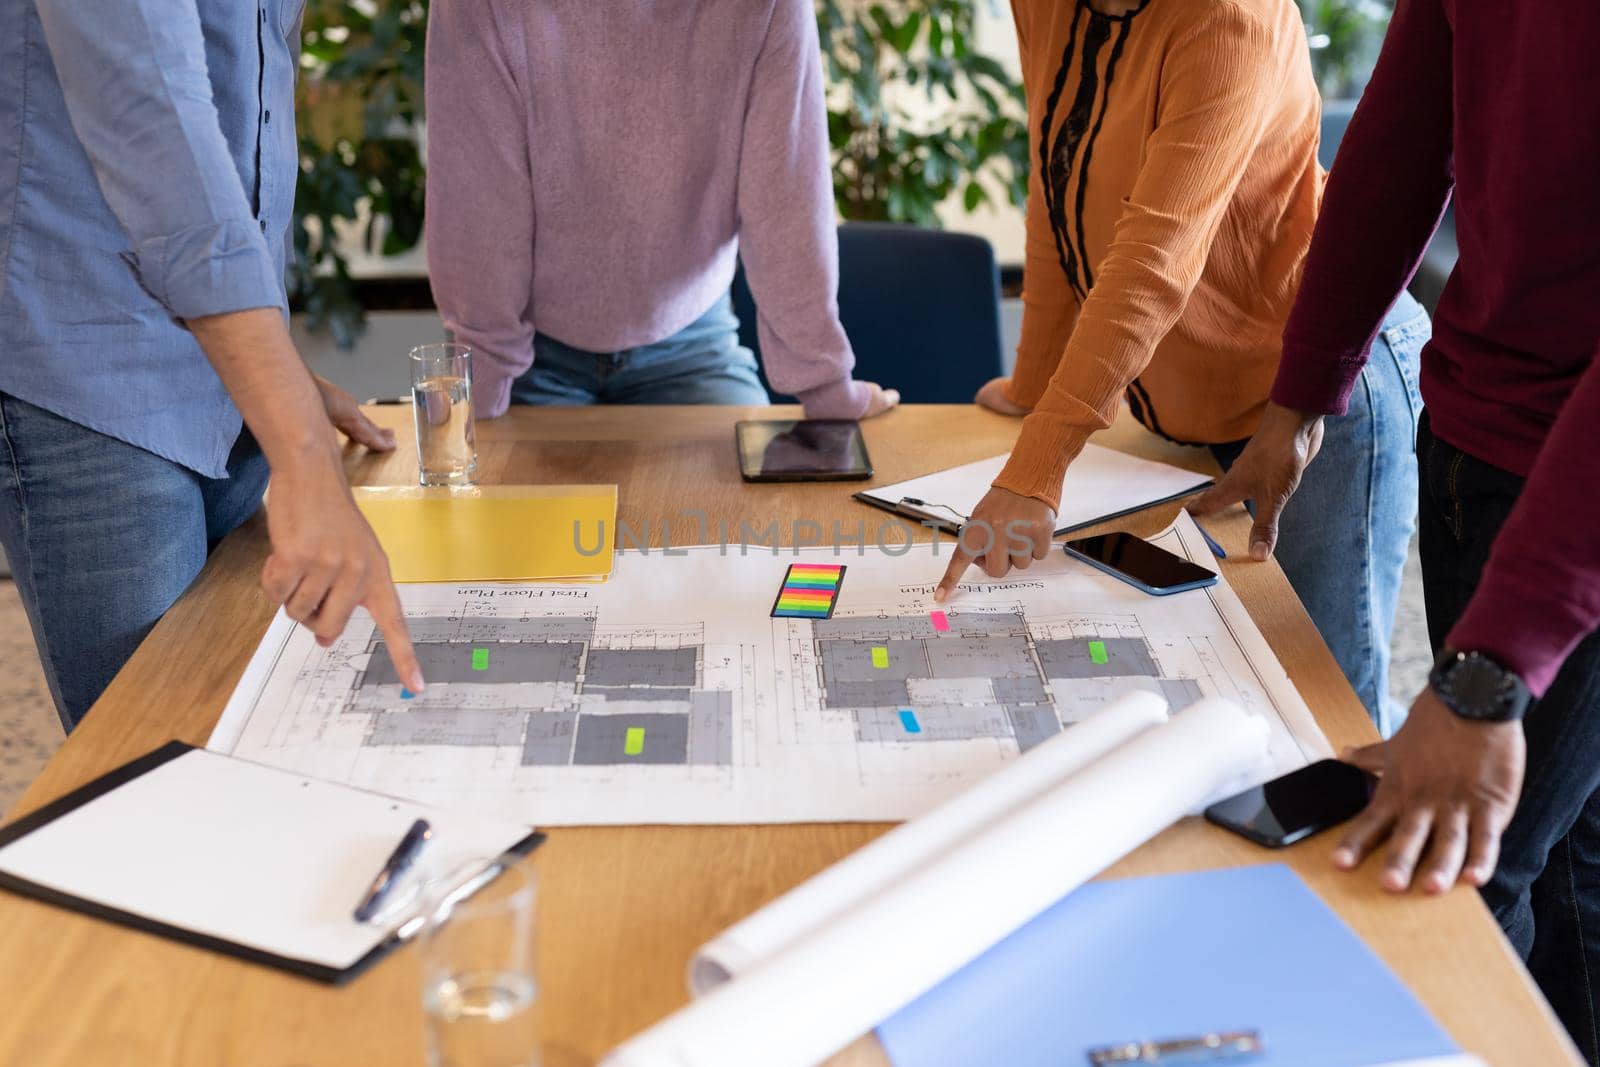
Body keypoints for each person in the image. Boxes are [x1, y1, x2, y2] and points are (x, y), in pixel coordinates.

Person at [1195, 0, 1600, 1055]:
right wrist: (1300, 395)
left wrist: (1485, 671)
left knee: (1463, 870)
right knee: (1559, 860)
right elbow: (1402, 134)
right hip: (1474, 433)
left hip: (1578, 493)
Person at [931, 0, 1427, 735]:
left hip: (1318, 391)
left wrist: (1039, 465)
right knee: (1216, 678)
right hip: (1184, 397)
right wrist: (1036, 379)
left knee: (1325, 705)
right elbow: (1056, 175)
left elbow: (1152, 266)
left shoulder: (1231, 16)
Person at [0, 0, 424, 732]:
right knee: (157, 762)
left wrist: (273, 371)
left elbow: (248, 98)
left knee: (240, 730)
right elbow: (150, 112)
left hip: (225, 383)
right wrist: (301, 441)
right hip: (91, 368)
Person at [423, 0, 898, 423]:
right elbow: (478, 211)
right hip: (528, 357)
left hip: (694, 343)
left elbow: (788, 202)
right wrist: (480, 393)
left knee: (741, 516)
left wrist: (824, 384)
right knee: (516, 520)